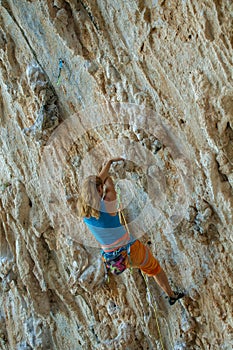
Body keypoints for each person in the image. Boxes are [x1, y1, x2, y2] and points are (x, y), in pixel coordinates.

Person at [77, 157, 184, 305]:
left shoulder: (85, 212)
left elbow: (97, 186)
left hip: (113, 258)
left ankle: (164, 291)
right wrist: (107, 169)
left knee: (144, 266)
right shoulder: (108, 203)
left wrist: (107, 164)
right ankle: (171, 295)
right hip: (131, 250)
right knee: (155, 269)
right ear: (99, 190)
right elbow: (108, 183)